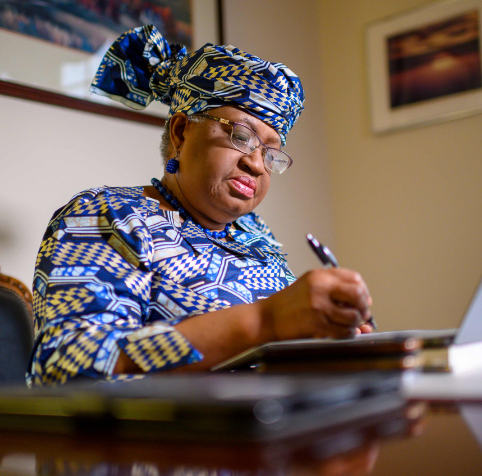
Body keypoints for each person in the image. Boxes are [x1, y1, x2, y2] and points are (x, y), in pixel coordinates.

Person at [27, 25, 373, 386]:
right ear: (180, 132)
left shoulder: (254, 235)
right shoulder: (108, 216)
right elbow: (64, 367)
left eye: (270, 153)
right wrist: (263, 322)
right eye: (240, 136)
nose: (256, 163)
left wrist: (330, 338)